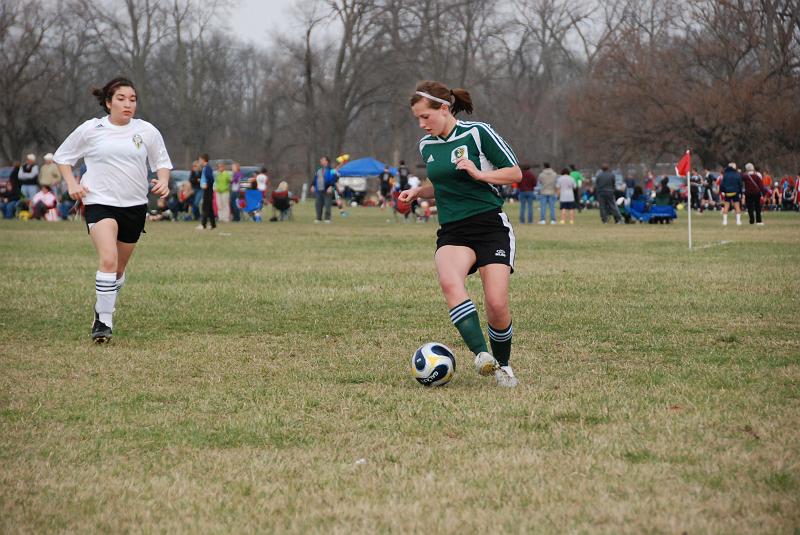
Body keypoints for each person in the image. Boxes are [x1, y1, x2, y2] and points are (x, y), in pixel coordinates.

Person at [401, 80, 522, 388]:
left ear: (444, 108)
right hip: (453, 229)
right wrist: (418, 192)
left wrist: (480, 174)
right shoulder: (426, 145)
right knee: (449, 280)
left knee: (496, 304)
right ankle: (482, 355)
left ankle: (503, 366)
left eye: (425, 116)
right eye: (417, 118)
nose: (421, 123)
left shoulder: (478, 133)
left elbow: (514, 173)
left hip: (489, 225)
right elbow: (444, 183)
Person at [53, 77, 172, 343]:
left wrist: (163, 181)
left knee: (118, 269)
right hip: (99, 202)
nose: (128, 104)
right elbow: (63, 157)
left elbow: (162, 162)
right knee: (108, 259)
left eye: (132, 99)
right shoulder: (92, 129)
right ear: (108, 103)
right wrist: (72, 184)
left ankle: (102, 308)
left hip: (134, 206)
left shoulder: (146, 131)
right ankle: (104, 323)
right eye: (121, 99)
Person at [310, 156, 337, 223]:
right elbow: (315, 179)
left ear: (326, 161)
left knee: (327, 205)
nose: (321, 161)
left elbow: (334, 179)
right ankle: (318, 218)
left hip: (327, 190)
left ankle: (327, 219)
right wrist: (312, 185)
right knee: (318, 204)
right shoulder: (318, 170)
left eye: (322, 160)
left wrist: (331, 186)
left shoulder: (332, 170)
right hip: (319, 190)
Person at [197, 154, 216, 230]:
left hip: (208, 190)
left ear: (203, 160)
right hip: (207, 190)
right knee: (210, 208)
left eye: (199, 160)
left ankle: (203, 224)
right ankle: (213, 224)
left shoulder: (207, 168)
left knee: (205, 207)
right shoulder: (205, 168)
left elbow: (211, 178)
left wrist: (207, 184)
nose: (199, 161)